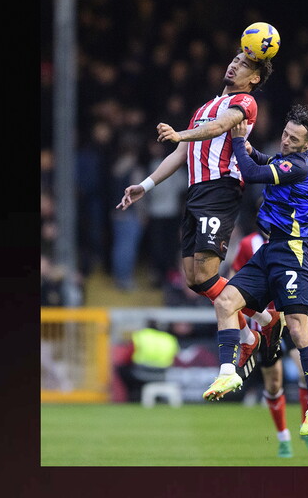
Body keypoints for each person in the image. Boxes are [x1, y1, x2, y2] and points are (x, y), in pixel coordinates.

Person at [116, 50, 275, 367]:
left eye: (243, 64)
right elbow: (179, 155)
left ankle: (257, 327)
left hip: (221, 189)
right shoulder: (203, 108)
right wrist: (144, 186)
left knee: (206, 272)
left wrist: (180, 133)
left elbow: (220, 127)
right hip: (196, 192)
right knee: (194, 279)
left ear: (254, 78)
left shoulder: (245, 103)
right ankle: (258, 328)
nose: (234, 65)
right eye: (234, 60)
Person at [202, 104, 308, 439]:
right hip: (272, 248)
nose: (286, 141)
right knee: (226, 301)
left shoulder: (301, 165)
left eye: (294, 138)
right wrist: (248, 147)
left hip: (294, 251)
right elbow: (266, 160)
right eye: (285, 134)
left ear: (307, 145)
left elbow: (255, 173)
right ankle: (229, 370)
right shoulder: (290, 158)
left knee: (300, 329)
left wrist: (239, 138)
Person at [230, 227, 308, 458]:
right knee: (274, 384)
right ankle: (283, 437)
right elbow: (237, 277)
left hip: (289, 314)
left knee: (306, 371)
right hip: (264, 321)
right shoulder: (248, 244)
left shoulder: (293, 237)